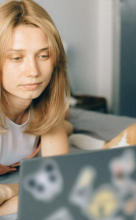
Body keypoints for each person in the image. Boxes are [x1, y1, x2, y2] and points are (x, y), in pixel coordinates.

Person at [0, 0, 73, 215]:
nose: (33, 71)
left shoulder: (48, 107)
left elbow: (58, 183)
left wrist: (9, 190)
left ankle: (69, 122)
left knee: (64, 122)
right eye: (16, 57)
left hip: (44, 121)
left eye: (43, 56)